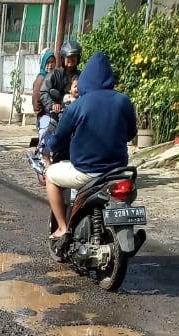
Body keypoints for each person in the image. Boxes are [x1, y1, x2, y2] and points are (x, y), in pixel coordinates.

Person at [45, 52, 137, 239]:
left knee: (50, 176)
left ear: (86, 79)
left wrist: (47, 148)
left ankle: (63, 228)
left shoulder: (78, 106)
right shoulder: (124, 101)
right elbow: (131, 134)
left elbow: (59, 138)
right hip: (118, 172)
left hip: (87, 173)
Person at [39, 41, 81, 120]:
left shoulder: (81, 76)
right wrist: (52, 104)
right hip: (55, 115)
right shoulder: (54, 74)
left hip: (76, 114)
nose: (71, 59)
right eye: (68, 56)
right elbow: (43, 92)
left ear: (78, 58)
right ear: (63, 58)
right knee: (47, 130)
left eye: (74, 56)